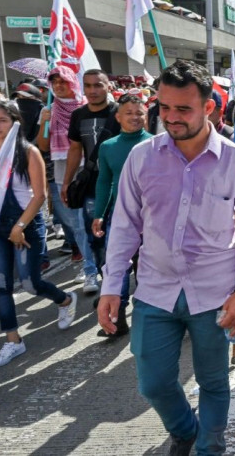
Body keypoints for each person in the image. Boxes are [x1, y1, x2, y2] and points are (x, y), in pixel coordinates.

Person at [97, 60, 235, 455]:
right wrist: (111, 288)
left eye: (183, 109)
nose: (171, 118)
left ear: (209, 108)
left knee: (213, 382)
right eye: (164, 107)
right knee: (152, 382)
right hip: (155, 289)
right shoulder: (142, 158)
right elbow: (124, 227)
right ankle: (185, 429)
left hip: (216, 293)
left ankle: (210, 447)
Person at [0, 101, 77, 368]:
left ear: (15, 122)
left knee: (30, 283)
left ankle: (65, 299)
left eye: (2, 120)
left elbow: (39, 195)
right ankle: (13, 340)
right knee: (0, 285)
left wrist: (19, 227)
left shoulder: (28, 153)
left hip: (25, 224)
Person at [91, 94, 152, 337]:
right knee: (117, 267)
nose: (135, 117)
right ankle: (117, 319)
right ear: (118, 117)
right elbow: (104, 181)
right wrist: (99, 214)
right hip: (121, 218)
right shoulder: (107, 147)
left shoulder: (156, 144)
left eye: (140, 113)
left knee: (147, 269)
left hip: (151, 219)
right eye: (129, 113)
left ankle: (149, 316)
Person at [62, 69, 121, 283]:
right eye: (88, 85)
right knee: (95, 236)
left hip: (121, 185)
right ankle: (104, 276)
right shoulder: (78, 115)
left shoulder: (120, 112)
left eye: (98, 85)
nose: (93, 90)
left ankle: (119, 280)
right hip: (92, 186)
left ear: (108, 86)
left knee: (123, 236)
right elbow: (75, 149)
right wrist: (67, 182)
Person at [37, 67, 92, 274]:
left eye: (63, 81)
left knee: (92, 220)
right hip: (63, 172)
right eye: (55, 82)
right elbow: (43, 145)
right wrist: (45, 121)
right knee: (75, 224)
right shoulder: (49, 110)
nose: (59, 86)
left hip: (88, 169)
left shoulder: (86, 107)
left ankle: (97, 264)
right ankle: (89, 267)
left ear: (72, 82)